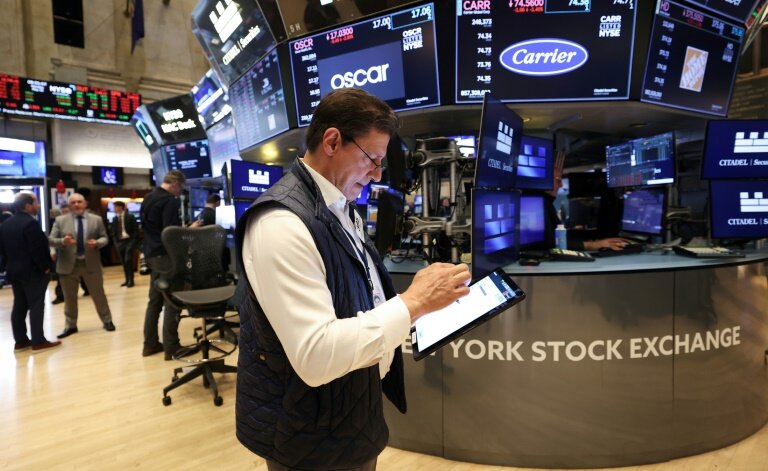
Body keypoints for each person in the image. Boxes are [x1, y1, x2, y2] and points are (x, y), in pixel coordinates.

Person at [235, 88, 471, 470]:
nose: (378, 173)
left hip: (350, 417)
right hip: (307, 436)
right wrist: (413, 303)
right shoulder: (281, 223)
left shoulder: (342, 208)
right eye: (373, 158)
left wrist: (419, 309)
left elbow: (360, 301)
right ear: (332, 141)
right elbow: (315, 355)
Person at [49, 193, 116, 338]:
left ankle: (107, 320)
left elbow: (105, 237)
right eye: (73, 202)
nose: (76, 205)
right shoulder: (60, 220)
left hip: (90, 263)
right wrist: (63, 241)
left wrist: (97, 243)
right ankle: (70, 325)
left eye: (79, 202)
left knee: (99, 295)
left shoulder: (96, 220)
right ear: (69, 205)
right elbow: (51, 240)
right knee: (69, 298)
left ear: (85, 203)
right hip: (68, 265)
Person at [0, 192, 60, 351]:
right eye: (36, 203)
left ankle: (20, 341)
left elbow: (3, 251)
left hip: (14, 271)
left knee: (19, 305)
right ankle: (38, 341)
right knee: (36, 305)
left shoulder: (5, 224)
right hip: (33, 273)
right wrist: (46, 267)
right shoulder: (30, 224)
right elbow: (37, 250)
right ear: (27, 206)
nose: (38, 206)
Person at [140, 169, 186, 359]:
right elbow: (170, 233)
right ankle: (172, 347)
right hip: (165, 256)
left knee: (155, 300)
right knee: (172, 300)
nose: (180, 192)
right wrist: (189, 231)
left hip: (151, 254)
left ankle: (150, 344)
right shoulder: (169, 201)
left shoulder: (149, 197)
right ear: (175, 183)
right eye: (181, 187)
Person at [542, 151, 628, 252]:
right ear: (545, 180)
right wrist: (592, 245)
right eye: (558, 180)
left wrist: (596, 239)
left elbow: (559, 237)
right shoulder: (538, 205)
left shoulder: (546, 203)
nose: (561, 185)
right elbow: (550, 243)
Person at [110, 201, 139, 287]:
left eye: (115, 207)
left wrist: (134, 240)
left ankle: (131, 280)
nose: (114, 209)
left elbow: (135, 230)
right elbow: (113, 232)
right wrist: (115, 242)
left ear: (121, 207)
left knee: (128, 260)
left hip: (129, 241)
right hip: (119, 242)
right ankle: (127, 280)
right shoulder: (115, 219)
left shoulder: (130, 216)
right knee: (123, 262)